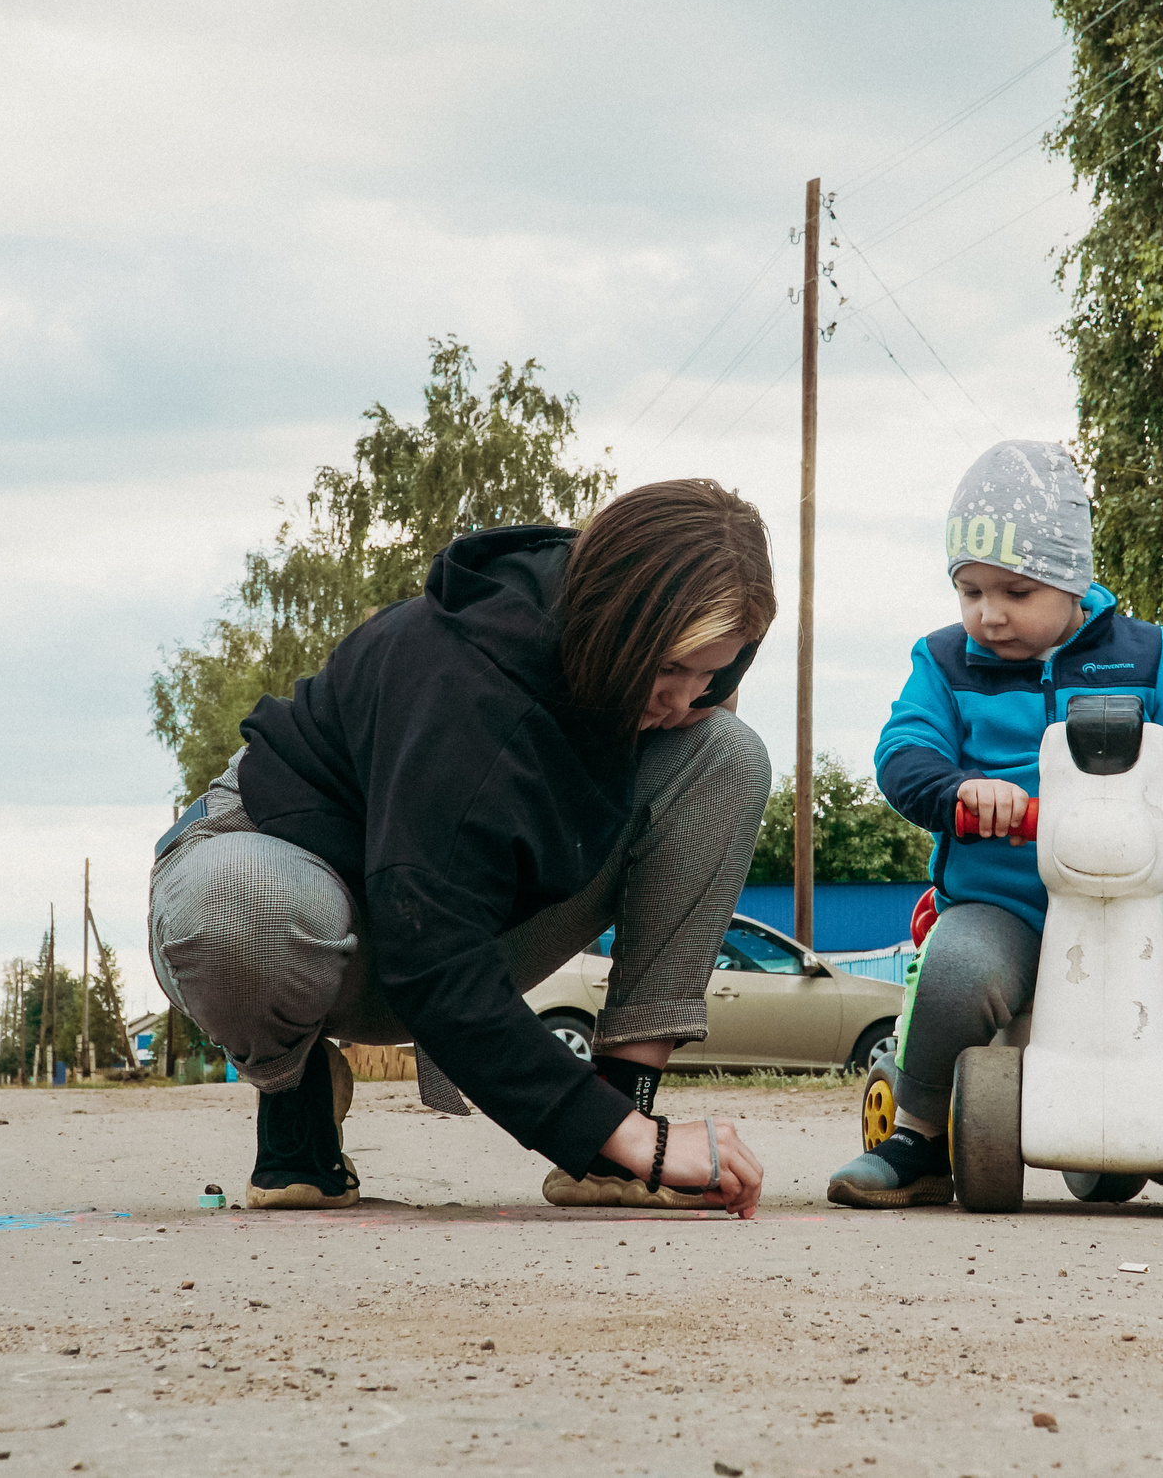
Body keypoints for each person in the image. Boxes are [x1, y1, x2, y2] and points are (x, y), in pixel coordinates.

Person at [148, 480, 778, 1216]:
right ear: (615, 619)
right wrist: (635, 1137)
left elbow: (705, 697)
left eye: (708, 672)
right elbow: (433, 958)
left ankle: (617, 1123)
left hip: (435, 914)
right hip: (293, 884)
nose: (683, 696)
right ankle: (294, 1090)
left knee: (726, 753)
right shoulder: (465, 685)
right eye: (670, 669)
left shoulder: (657, 664)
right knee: (237, 906)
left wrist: (619, 1129)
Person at [822, 439, 1163, 1210]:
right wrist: (963, 788)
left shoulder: (1146, 655)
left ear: (1074, 582)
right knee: (959, 965)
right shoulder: (945, 663)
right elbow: (903, 753)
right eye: (968, 589)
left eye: (1015, 590)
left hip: (1138, 898)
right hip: (1009, 903)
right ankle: (920, 1133)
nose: (987, 613)